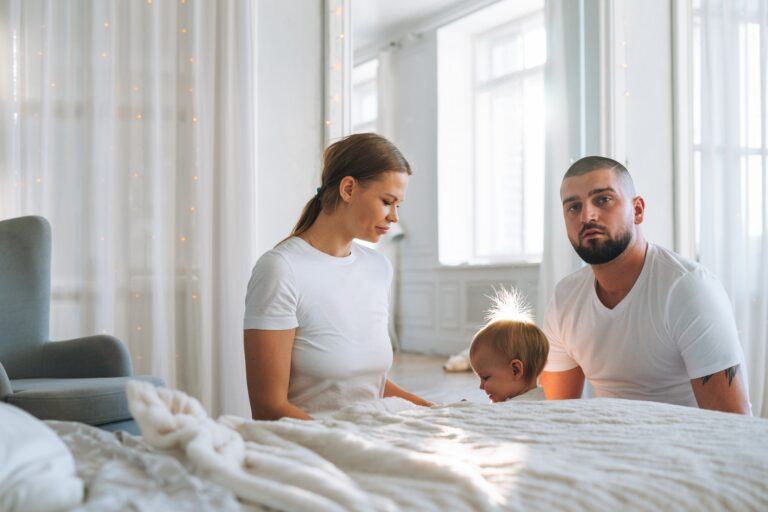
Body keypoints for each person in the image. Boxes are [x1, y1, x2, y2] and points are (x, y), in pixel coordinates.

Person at [540, 156, 751, 414]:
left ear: (637, 210)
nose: (587, 215)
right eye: (573, 207)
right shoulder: (565, 298)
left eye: (603, 199)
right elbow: (557, 414)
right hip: (609, 445)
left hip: (688, 446)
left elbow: (731, 423)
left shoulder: (688, 289)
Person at [243, 133, 430, 420]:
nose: (394, 217)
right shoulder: (281, 269)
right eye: (386, 201)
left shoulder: (378, 268)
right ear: (348, 188)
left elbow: (368, 387)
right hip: (310, 445)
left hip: (370, 433)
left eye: (398, 205)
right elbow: (268, 408)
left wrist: (438, 412)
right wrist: (349, 442)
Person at [469, 289, 548, 402]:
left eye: (486, 378)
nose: (481, 387)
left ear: (515, 370)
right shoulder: (544, 398)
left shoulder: (512, 410)